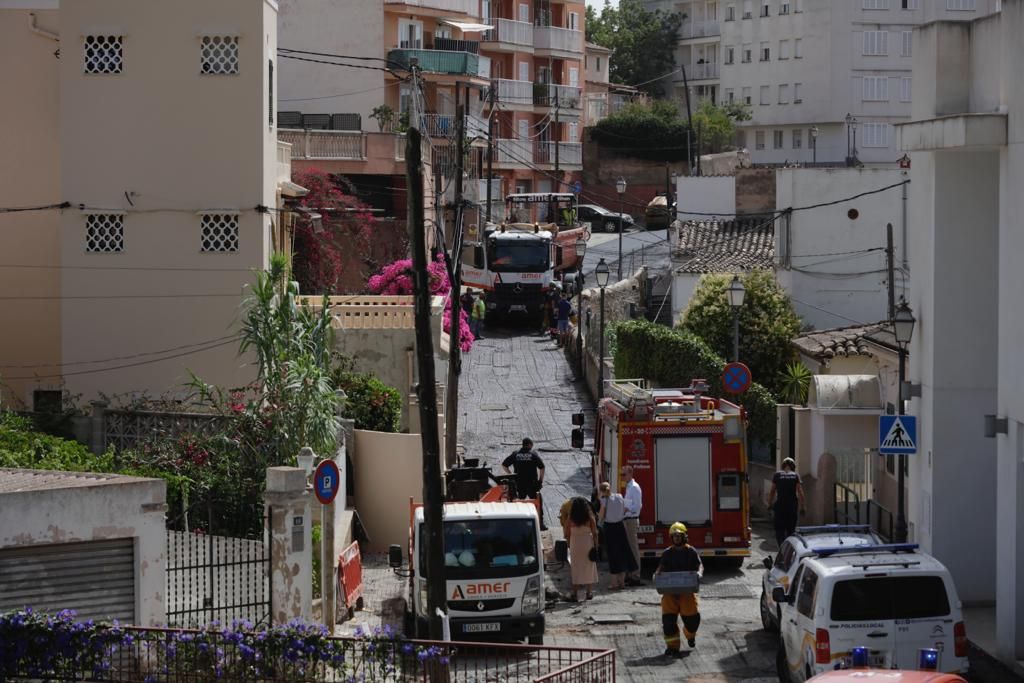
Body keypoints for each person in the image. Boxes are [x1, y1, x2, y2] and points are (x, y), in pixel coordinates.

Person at [655, 522, 704, 657]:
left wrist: (699, 574)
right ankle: (672, 647)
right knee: (668, 624)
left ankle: (690, 635)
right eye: (674, 536)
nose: (676, 538)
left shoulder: (691, 551)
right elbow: (661, 567)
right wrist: (657, 573)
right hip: (669, 594)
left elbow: (699, 565)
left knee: (692, 621)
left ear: (684, 536)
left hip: (687, 593)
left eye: (679, 535)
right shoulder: (667, 553)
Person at [598, 481, 638, 590]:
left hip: (610, 528)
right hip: (620, 527)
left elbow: (601, 516)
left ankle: (614, 583)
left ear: (601, 491)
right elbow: (626, 508)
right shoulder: (620, 496)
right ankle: (622, 583)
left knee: (613, 555)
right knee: (623, 553)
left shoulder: (603, 501)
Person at [502, 438, 547, 530]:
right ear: (530, 445)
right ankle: (540, 524)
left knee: (518, 503)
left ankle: (518, 524)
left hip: (519, 483)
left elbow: (504, 465)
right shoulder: (533, 454)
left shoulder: (516, 454)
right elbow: (542, 467)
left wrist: (511, 475)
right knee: (537, 503)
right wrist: (540, 480)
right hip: (532, 483)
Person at [564, 497, 599, 602]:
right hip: (587, 543)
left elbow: (566, 532)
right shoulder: (589, 517)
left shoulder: (571, 518)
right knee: (589, 566)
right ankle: (589, 592)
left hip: (575, 544)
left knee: (575, 567)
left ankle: (575, 593)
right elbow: (595, 533)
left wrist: (569, 543)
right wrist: (596, 546)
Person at [767, 457, 806, 546]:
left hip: (780, 507)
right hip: (792, 507)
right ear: (793, 466)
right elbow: (800, 492)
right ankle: (789, 548)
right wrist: (803, 507)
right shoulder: (795, 475)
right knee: (791, 530)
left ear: (783, 466)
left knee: (779, 530)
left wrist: (769, 504)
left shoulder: (777, 475)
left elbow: (772, 491)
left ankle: (781, 548)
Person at [621, 466, 644, 586]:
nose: (622, 477)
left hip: (631, 520)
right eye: (622, 475)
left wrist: (626, 509)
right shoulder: (629, 487)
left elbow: (638, 506)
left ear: (630, 474)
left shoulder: (634, 488)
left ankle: (636, 576)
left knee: (633, 549)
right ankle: (630, 574)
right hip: (627, 520)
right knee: (629, 549)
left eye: (624, 475)